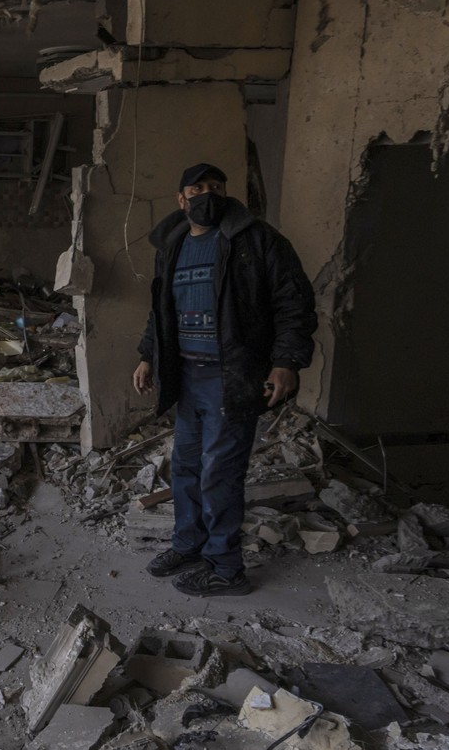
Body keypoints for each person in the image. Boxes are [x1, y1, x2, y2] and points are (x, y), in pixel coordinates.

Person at [133, 163, 317, 597]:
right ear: (181, 199)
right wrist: (147, 356)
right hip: (187, 375)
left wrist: (286, 361)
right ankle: (189, 545)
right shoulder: (173, 243)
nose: (207, 195)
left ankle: (226, 567)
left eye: (216, 187)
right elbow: (162, 309)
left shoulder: (256, 240)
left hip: (231, 375)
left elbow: (294, 303)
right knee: (185, 467)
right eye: (197, 189)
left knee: (219, 473)